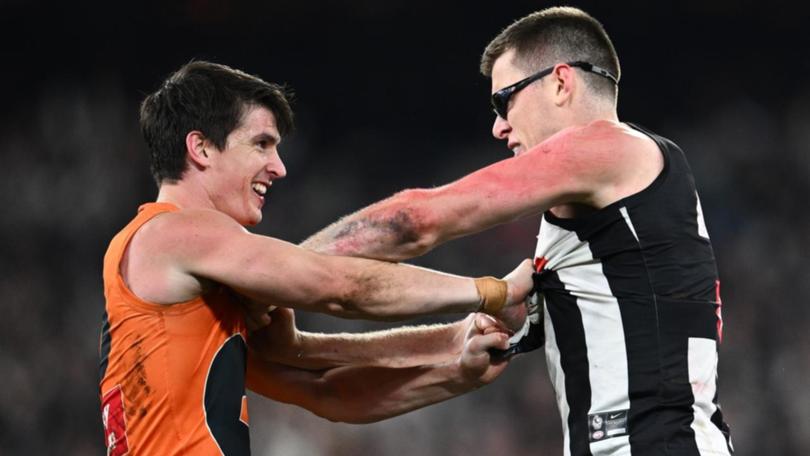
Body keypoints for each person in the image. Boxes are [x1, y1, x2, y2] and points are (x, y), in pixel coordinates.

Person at [301, 7, 733, 456]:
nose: (498, 125)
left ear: (561, 83)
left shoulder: (609, 148)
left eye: (503, 99)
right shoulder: (604, 220)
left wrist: (279, 274)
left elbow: (417, 222)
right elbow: (482, 336)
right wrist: (297, 351)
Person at [98, 60, 535, 455]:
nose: (280, 167)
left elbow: (327, 392)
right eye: (261, 144)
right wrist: (492, 292)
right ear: (202, 149)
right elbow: (341, 287)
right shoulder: (174, 232)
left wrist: (456, 362)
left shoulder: (188, 298)